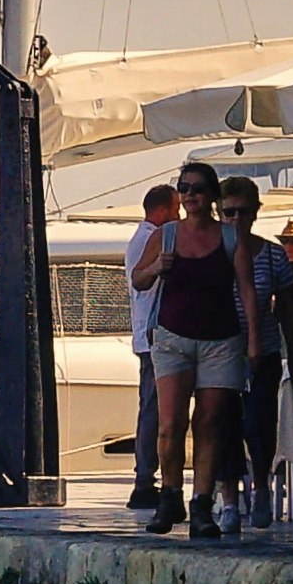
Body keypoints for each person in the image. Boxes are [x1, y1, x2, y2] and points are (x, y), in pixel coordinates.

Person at [129, 161, 259, 539]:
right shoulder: (167, 235)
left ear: (212, 196)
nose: (190, 195)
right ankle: (170, 495)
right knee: (170, 425)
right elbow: (138, 278)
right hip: (173, 339)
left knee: (210, 424)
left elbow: (247, 290)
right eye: (184, 188)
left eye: (199, 189)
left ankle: (202, 503)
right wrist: (155, 267)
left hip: (221, 341)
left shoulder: (230, 238)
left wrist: (253, 340)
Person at [215, 179, 293, 531]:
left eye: (241, 212)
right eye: (227, 212)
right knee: (223, 425)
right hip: (220, 350)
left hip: (264, 349)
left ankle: (260, 484)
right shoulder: (211, 252)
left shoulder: (272, 254)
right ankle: (229, 498)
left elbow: (286, 307)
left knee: (259, 424)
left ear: (255, 212)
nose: (234, 219)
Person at [122, 182, 179, 512]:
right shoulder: (150, 240)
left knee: (153, 408)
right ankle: (145, 479)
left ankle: (147, 478)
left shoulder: (138, 239)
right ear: (162, 210)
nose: (179, 215)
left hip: (149, 335)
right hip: (154, 336)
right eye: (175, 209)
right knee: (153, 410)